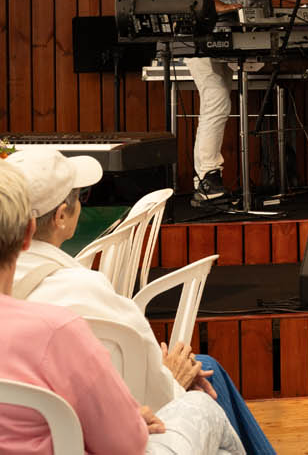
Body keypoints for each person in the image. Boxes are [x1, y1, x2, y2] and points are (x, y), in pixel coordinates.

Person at [6, 148, 272, 455]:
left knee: (207, 379)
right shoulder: (71, 310)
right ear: (60, 216)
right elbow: (132, 425)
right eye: (80, 198)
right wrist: (170, 378)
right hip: (107, 437)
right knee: (205, 399)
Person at [167, 0, 271, 204]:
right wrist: (221, 6)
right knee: (216, 97)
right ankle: (206, 179)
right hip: (198, 38)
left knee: (221, 98)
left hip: (234, 39)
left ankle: (221, 180)